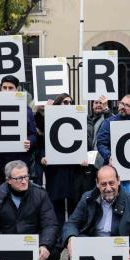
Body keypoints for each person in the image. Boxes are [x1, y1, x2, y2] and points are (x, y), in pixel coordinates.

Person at [0, 160, 61, 260]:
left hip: (31, 244)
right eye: (19, 178)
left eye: (26, 177)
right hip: (7, 244)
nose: (24, 181)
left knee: (53, 254)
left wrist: (44, 245)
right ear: (8, 180)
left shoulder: (40, 195)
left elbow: (50, 224)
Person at [63, 165, 130, 260]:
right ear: (97, 183)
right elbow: (71, 223)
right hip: (93, 246)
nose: (108, 188)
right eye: (104, 184)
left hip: (119, 248)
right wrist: (71, 238)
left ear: (119, 180)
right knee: (79, 241)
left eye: (111, 183)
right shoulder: (87, 198)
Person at [0, 75, 37, 197]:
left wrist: (30, 141)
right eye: (4, 87)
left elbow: (33, 134)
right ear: (0, 88)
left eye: (10, 88)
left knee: (18, 199)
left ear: (17, 89)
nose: (7, 91)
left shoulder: (26, 110)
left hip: (17, 164)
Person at [41, 93, 89, 225]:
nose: (68, 105)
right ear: (58, 104)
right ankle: (57, 239)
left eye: (70, 102)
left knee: (74, 205)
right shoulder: (48, 119)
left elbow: (86, 143)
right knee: (57, 207)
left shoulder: (79, 119)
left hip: (73, 171)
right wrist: (43, 158)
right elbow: (41, 143)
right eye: (65, 102)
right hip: (56, 172)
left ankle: (71, 237)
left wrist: (85, 158)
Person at [96, 94, 130, 197]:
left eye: (127, 105)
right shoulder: (108, 122)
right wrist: (109, 156)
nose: (122, 106)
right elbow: (101, 143)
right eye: (122, 103)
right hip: (113, 169)